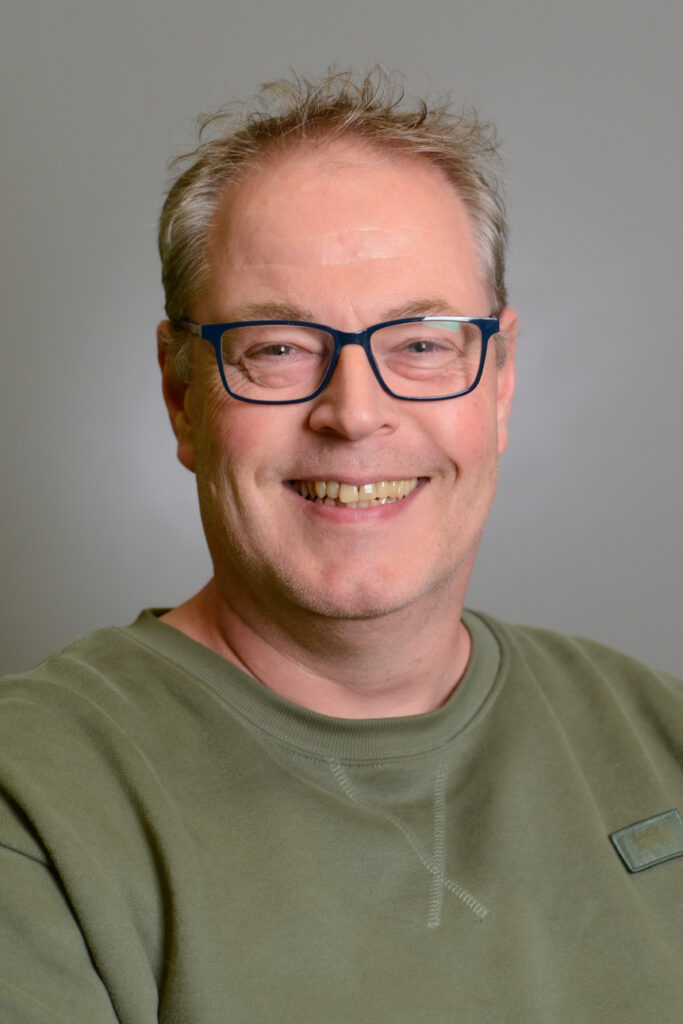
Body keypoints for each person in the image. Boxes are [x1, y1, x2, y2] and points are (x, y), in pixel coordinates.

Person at [0, 68, 681, 1023]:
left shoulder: (659, 735)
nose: (354, 414)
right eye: (278, 347)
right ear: (182, 394)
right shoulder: (33, 799)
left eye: (421, 343)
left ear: (498, 382)